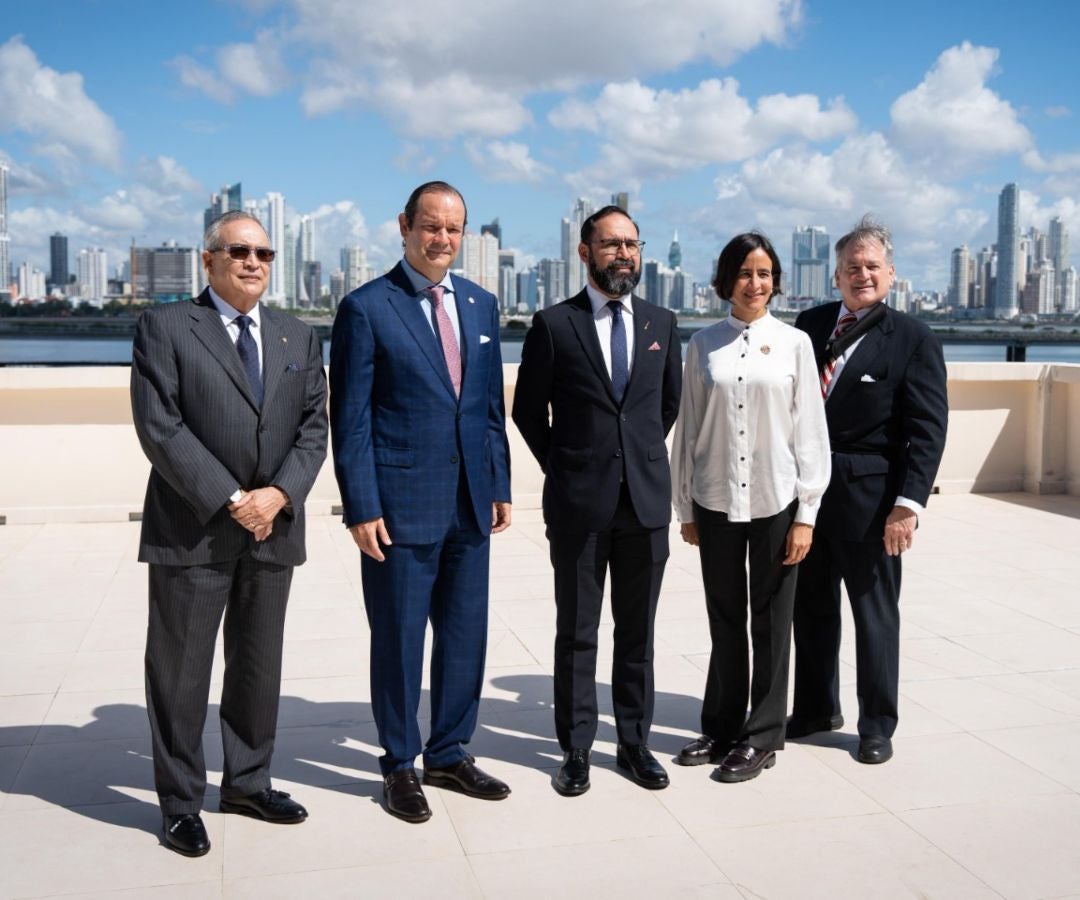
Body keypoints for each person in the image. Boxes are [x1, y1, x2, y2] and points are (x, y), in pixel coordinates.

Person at [130, 210, 328, 857]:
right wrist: (233, 497)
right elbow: (161, 427)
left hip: (273, 528)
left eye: (264, 253)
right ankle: (181, 802)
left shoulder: (298, 337)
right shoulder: (164, 328)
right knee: (180, 674)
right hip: (194, 529)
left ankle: (247, 781)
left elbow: (311, 429)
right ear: (208, 259)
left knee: (257, 668)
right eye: (239, 250)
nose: (254, 262)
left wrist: (277, 495)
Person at [329, 181, 512, 823]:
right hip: (399, 507)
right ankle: (399, 763)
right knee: (400, 641)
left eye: (454, 230)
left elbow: (490, 408)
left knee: (465, 638)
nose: (442, 240)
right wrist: (361, 505)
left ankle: (449, 751)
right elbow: (349, 419)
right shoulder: (366, 308)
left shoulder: (482, 305)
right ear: (404, 226)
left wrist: (500, 485)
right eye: (431, 227)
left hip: (470, 503)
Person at [512, 205, 682, 796]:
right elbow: (528, 412)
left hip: (645, 504)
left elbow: (666, 406)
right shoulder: (554, 324)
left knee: (638, 632)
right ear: (584, 253)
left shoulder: (662, 321)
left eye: (632, 244)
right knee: (579, 631)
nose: (624, 255)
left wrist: (633, 462)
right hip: (578, 506)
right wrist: (568, 466)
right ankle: (576, 747)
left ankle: (634, 742)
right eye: (611, 244)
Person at [670, 233, 830, 782]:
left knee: (771, 620)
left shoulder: (794, 344)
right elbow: (688, 428)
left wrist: (806, 513)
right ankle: (719, 726)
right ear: (725, 280)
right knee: (724, 619)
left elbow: (810, 432)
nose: (755, 284)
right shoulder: (702, 344)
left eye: (764, 274)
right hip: (714, 499)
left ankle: (761, 736)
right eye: (744, 273)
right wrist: (685, 506)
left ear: (776, 281)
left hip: (775, 500)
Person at [789, 215, 948, 764]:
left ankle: (876, 724)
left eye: (872, 267)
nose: (862, 275)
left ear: (891, 274)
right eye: (852, 267)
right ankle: (813, 708)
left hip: (873, 500)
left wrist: (907, 505)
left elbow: (928, 430)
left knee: (874, 614)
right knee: (809, 608)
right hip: (805, 497)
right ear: (835, 275)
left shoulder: (913, 339)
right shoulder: (806, 327)